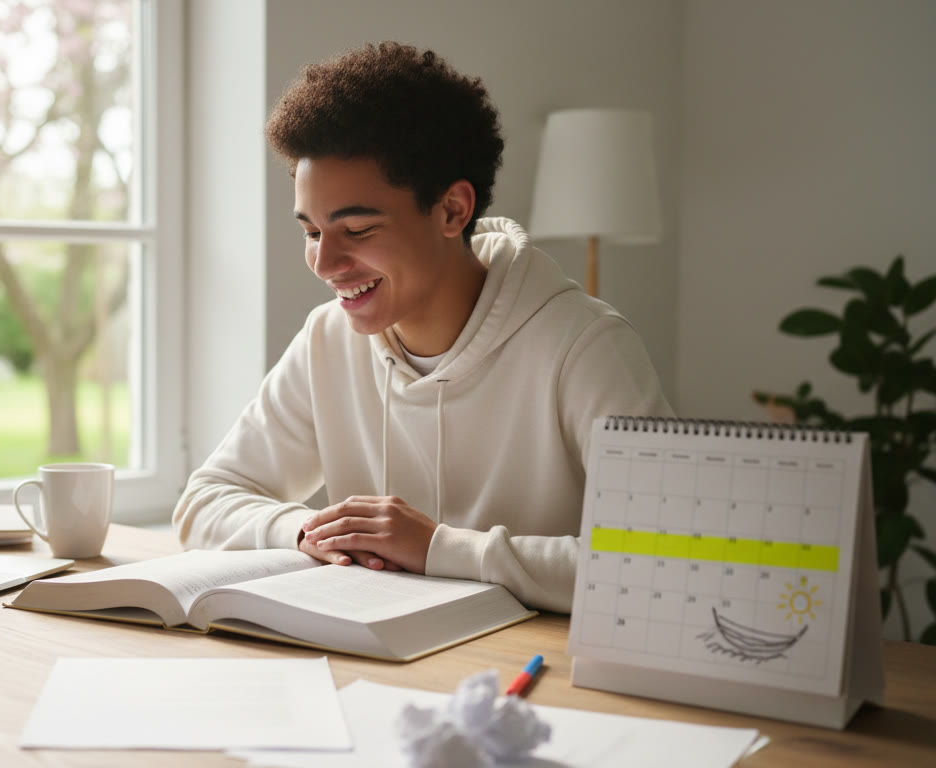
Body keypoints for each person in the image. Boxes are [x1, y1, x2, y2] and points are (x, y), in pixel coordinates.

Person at [172, 42, 672, 613]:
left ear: (453, 211)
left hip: (533, 671)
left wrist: (439, 547)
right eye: (311, 231)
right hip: (373, 655)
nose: (324, 263)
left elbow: (667, 558)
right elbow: (204, 502)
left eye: (357, 229)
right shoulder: (327, 339)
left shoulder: (585, 346)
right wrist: (317, 530)